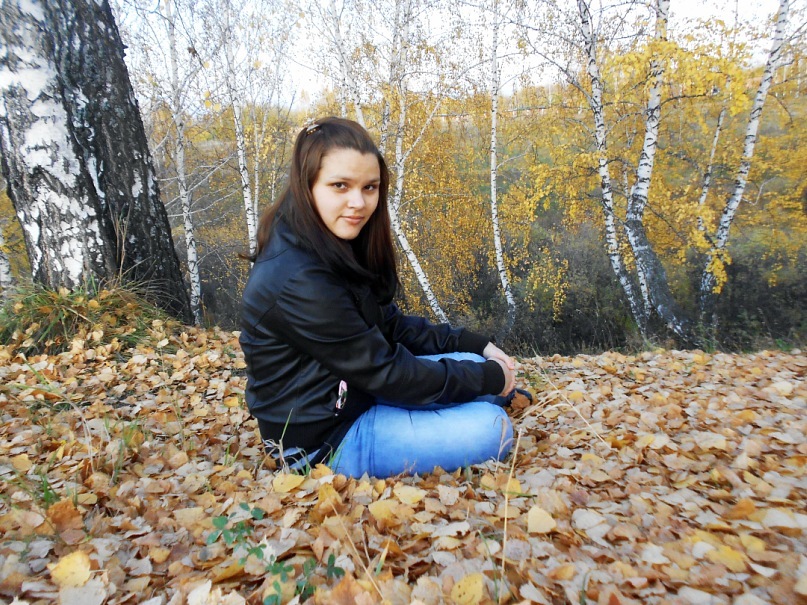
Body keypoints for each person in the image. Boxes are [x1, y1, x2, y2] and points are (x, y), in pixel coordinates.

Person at [240, 116, 520, 478]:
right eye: (340, 185)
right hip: (320, 440)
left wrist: (477, 345)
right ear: (306, 185)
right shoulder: (299, 278)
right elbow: (388, 372)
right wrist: (489, 379)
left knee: (475, 365)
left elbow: (389, 325)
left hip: (351, 391)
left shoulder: (327, 240)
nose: (358, 202)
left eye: (369, 187)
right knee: (494, 428)